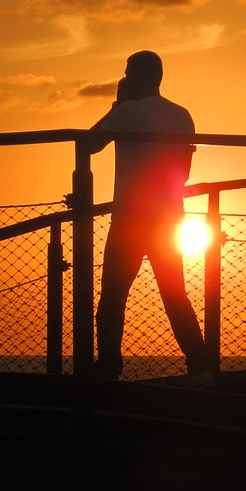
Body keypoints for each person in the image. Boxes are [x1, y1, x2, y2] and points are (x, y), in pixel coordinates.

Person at [88, 50, 213, 387]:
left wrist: (115, 106)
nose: (125, 79)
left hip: (130, 218)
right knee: (175, 296)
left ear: (140, 77)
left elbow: (89, 145)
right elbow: (184, 171)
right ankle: (201, 369)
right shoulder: (182, 115)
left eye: (128, 73)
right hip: (170, 216)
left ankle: (109, 369)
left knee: (112, 297)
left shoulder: (127, 111)